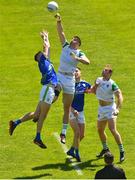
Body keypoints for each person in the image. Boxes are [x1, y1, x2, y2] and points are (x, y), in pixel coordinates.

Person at [9, 30, 59, 149]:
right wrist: (44, 38)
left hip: (47, 90)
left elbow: (48, 47)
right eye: (40, 54)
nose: (42, 53)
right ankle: (37, 137)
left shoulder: (47, 61)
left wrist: (46, 38)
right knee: (42, 115)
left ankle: (15, 123)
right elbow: (46, 47)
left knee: (36, 114)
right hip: (48, 89)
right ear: (39, 58)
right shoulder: (42, 62)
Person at [54, 13, 90, 144]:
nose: (73, 40)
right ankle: (43, 108)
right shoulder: (65, 46)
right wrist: (59, 21)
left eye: (75, 39)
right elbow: (61, 32)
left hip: (70, 80)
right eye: (73, 38)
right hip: (60, 76)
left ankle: (63, 133)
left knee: (66, 107)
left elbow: (87, 62)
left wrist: (78, 59)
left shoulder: (79, 53)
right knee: (54, 96)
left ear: (78, 44)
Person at [88, 65, 125, 162]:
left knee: (112, 129)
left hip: (110, 108)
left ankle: (121, 151)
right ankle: (105, 148)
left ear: (109, 73)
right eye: (103, 69)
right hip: (101, 108)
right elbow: (93, 90)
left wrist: (117, 109)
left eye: (105, 70)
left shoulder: (112, 84)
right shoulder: (98, 80)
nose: (103, 71)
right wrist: (90, 89)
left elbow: (119, 96)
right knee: (100, 130)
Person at [66, 67, 91, 162]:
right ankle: (77, 152)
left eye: (76, 71)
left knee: (82, 135)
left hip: (81, 112)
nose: (75, 72)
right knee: (77, 132)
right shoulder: (69, 85)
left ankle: (72, 149)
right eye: (73, 71)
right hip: (71, 111)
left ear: (80, 72)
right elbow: (66, 102)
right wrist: (73, 110)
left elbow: (92, 90)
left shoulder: (85, 84)